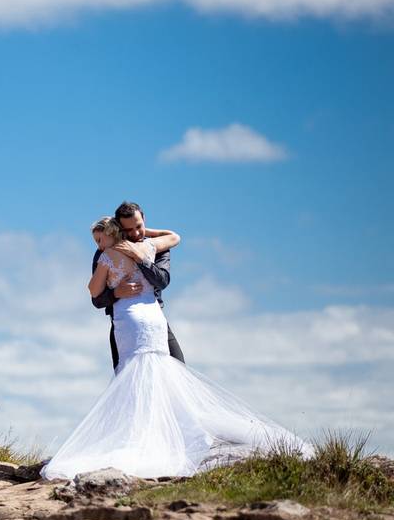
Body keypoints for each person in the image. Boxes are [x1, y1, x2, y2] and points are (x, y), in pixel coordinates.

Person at [40, 216, 312, 479]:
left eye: (100, 239)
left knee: (145, 379)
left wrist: (131, 251)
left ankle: (164, 438)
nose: (98, 245)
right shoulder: (144, 246)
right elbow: (173, 238)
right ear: (120, 229)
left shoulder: (115, 253)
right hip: (150, 321)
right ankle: (165, 436)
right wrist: (119, 288)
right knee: (156, 376)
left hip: (137, 323)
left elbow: (100, 290)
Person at [92, 201, 184, 369]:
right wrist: (115, 293)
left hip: (156, 322)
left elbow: (162, 281)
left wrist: (139, 257)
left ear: (144, 219)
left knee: (179, 371)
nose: (135, 233)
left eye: (139, 226)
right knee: (127, 385)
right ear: (119, 228)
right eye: (128, 230)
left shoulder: (157, 246)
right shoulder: (104, 252)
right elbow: (96, 300)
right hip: (122, 326)